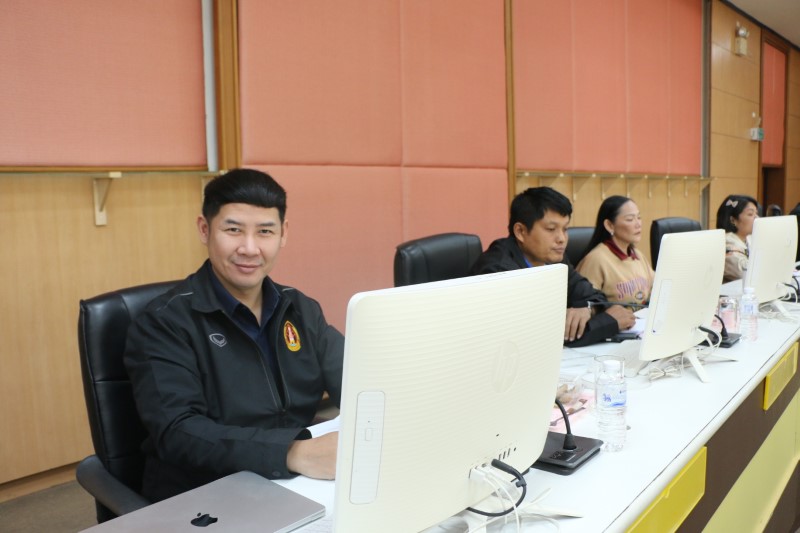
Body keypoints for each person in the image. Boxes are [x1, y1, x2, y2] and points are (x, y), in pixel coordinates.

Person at [124, 168, 344, 503]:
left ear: (283, 234)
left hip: (293, 485)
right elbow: (178, 431)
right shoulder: (163, 322)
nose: (250, 248)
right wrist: (292, 453)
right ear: (204, 229)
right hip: (205, 494)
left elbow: (358, 380)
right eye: (233, 230)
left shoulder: (300, 309)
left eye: (265, 231)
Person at [470, 187, 636, 347]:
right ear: (520, 231)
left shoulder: (555, 259)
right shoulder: (499, 271)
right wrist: (608, 322)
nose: (561, 238)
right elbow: (531, 336)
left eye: (565, 229)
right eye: (551, 229)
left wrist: (586, 309)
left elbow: (594, 296)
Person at [576, 195, 654, 306]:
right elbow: (586, 306)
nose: (638, 224)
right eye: (630, 219)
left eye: (639, 217)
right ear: (609, 225)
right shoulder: (596, 259)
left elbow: (656, 288)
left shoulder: (637, 254)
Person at [715, 194, 758, 282]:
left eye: (756, 214)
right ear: (733, 220)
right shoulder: (727, 244)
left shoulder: (749, 239)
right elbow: (745, 274)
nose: (757, 218)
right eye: (750, 214)